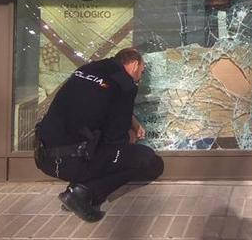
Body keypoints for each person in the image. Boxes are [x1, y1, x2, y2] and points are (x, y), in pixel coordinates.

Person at [34, 48, 164, 222]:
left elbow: (97, 103)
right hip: (71, 161)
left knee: (107, 148)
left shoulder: (88, 69)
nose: (142, 75)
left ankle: (79, 191)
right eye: (143, 70)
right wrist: (126, 144)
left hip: (44, 157)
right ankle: (80, 194)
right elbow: (116, 137)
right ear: (134, 65)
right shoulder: (125, 84)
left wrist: (132, 122)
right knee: (146, 159)